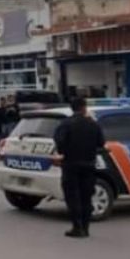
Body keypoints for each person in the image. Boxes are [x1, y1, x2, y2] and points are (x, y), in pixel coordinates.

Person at [54, 97, 105, 238]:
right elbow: (101, 143)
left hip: (71, 164)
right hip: (89, 164)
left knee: (73, 196)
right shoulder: (93, 124)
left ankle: (77, 227)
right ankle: (86, 227)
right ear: (84, 107)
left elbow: (59, 143)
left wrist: (65, 152)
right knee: (86, 196)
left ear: (72, 108)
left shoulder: (66, 124)